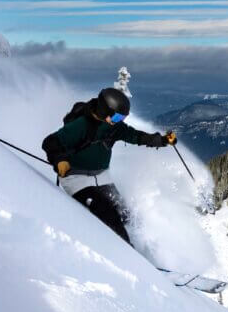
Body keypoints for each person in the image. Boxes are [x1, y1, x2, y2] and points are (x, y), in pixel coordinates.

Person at [42, 88, 176, 244]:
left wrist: (162, 140)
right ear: (104, 111)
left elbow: (136, 136)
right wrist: (59, 161)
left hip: (102, 176)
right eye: (118, 116)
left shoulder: (114, 126)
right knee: (109, 215)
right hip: (76, 179)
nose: (120, 121)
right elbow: (50, 142)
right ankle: (129, 256)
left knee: (126, 215)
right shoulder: (82, 125)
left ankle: (143, 250)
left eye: (123, 118)